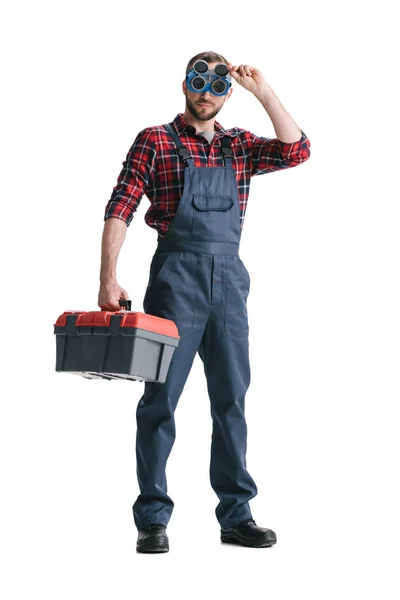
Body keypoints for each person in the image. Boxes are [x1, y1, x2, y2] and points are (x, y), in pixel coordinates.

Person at [98, 51, 311, 553]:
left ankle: (236, 516)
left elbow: (298, 150)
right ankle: (152, 519)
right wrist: (108, 277)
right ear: (185, 85)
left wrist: (263, 91)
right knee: (159, 402)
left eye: (217, 86)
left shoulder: (240, 145)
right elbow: (121, 205)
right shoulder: (156, 140)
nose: (207, 92)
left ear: (227, 93)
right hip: (176, 280)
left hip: (230, 283)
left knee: (232, 400)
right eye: (199, 82)